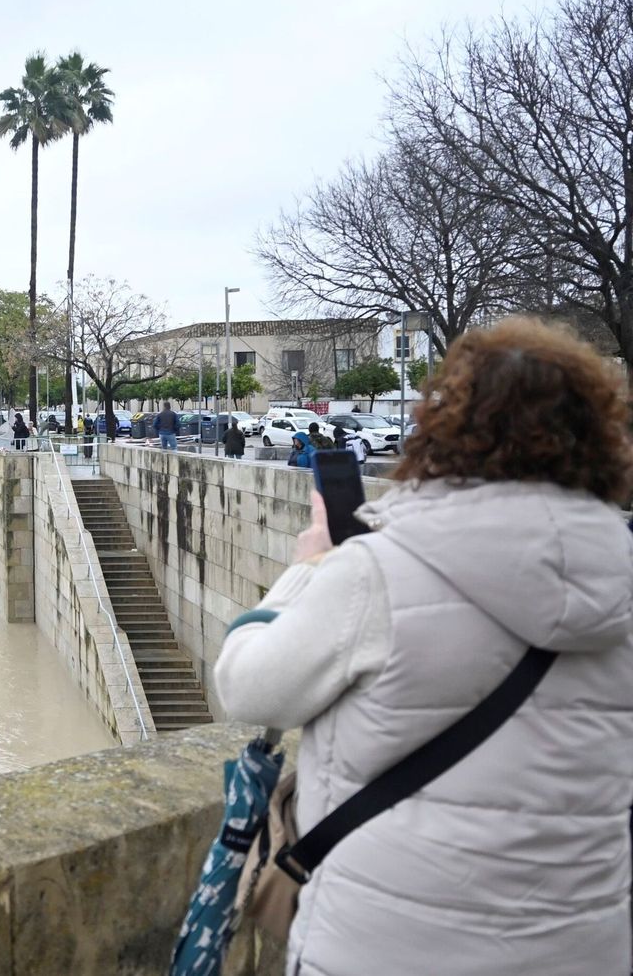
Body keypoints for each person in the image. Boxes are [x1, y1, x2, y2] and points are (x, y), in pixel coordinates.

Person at [215, 318, 633, 976]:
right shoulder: (621, 575)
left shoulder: (377, 571)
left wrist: (307, 571)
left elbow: (246, 687)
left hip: (385, 947)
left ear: (449, 424)